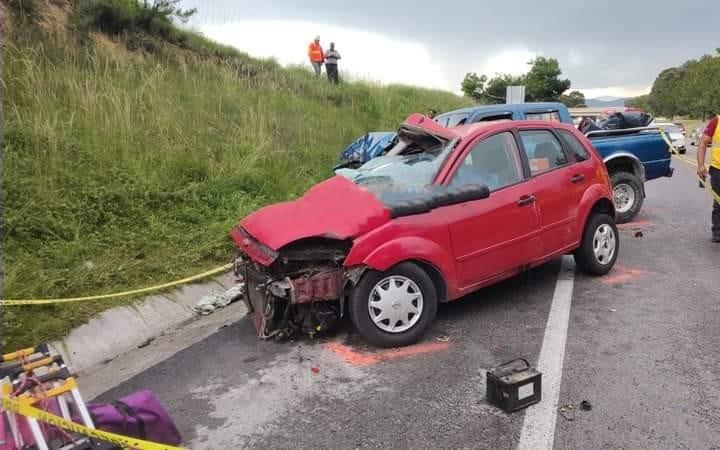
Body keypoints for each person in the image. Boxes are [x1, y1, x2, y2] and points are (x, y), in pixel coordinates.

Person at [697, 113, 720, 242]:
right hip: (718, 169)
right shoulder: (716, 121)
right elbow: (703, 142)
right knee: (719, 202)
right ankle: (718, 231)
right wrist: (700, 165)